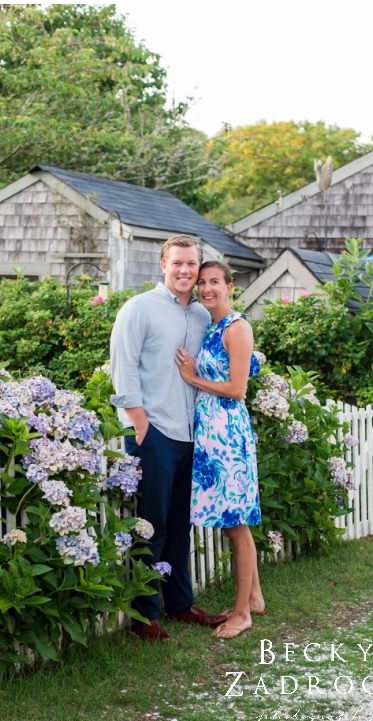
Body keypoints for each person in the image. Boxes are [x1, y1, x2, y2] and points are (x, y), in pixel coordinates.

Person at [109, 235, 228, 642]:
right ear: (163, 265)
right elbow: (122, 369)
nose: (185, 271)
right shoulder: (139, 308)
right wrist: (141, 426)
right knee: (151, 526)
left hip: (191, 434)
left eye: (192, 264)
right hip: (154, 433)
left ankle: (180, 604)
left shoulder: (199, 316)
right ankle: (145, 615)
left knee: (180, 527)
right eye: (177, 263)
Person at [175, 259, 265, 639]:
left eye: (214, 282)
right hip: (211, 434)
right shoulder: (213, 328)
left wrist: (193, 378)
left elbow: (238, 389)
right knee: (232, 524)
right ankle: (255, 598)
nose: (206, 288)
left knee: (237, 524)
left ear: (230, 286)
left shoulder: (236, 328)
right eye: (202, 283)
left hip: (228, 435)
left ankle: (242, 612)